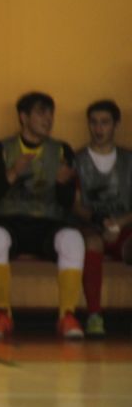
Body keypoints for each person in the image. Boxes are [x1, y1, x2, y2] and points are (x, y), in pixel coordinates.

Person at [0, 92, 84, 339]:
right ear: (23, 117)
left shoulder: (62, 151)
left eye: (50, 114)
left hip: (49, 224)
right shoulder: (1, 149)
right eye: (41, 113)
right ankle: (1, 314)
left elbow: (67, 203)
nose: (48, 119)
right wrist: (13, 173)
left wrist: (63, 185)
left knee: (73, 240)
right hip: (9, 221)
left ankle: (67, 316)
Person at [74, 100, 132, 338]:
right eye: (94, 122)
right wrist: (101, 222)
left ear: (116, 125)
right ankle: (94, 315)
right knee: (92, 243)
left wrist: (119, 223)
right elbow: (75, 204)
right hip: (91, 226)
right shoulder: (77, 159)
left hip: (125, 225)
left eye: (105, 122)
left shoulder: (129, 160)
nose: (98, 129)